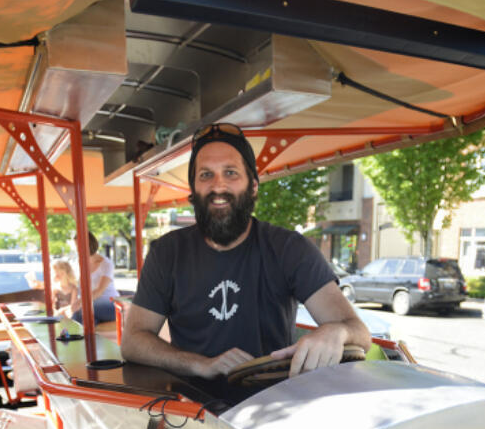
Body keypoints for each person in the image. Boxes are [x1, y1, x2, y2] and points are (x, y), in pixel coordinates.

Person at [122, 123, 369, 379]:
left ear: (253, 186)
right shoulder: (167, 253)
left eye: (230, 173)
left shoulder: (289, 249)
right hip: (190, 409)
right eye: (206, 175)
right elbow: (133, 341)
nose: (218, 187)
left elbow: (358, 332)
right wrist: (200, 364)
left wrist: (336, 332)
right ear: (193, 191)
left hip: (270, 400)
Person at [64, 232, 117, 325]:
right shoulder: (81, 263)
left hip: (111, 304)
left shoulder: (106, 264)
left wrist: (80, 303)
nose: (77, 249)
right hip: (92, 304)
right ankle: (85, 338)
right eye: (76, 246)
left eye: (79, 245)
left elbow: (99, 291)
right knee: (86, 319)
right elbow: (81, 289)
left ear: (89, 244)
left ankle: (75, 337)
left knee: (82, 311)